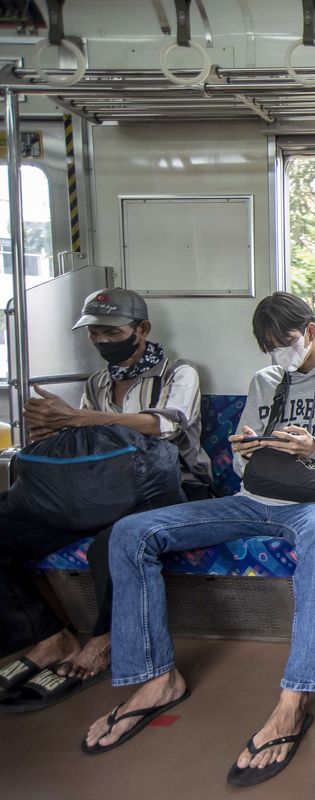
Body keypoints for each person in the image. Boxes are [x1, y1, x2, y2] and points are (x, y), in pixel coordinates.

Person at [82, 292, 315, 787]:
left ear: (310, 330)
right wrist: (245, 451)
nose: (277, 353)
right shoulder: (267, 380)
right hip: (250, 499)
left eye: (284, 341)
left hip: (313, 506)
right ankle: (157, 678)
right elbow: (246, 458)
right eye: (268, 346)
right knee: (132, 533)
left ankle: (293, 699)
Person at [0, 287, 210, 710]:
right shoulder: (98, 383)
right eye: (94, 333)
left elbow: (164, 427)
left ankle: (103, 639)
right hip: (99, 489)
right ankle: (47, 637)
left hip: (170, 490)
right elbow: (89, 443)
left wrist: (78, 417)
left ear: (141, 329)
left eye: (111, 332)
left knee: (116, 540)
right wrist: (53, 431)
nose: (101, 341)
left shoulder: (179, 373)